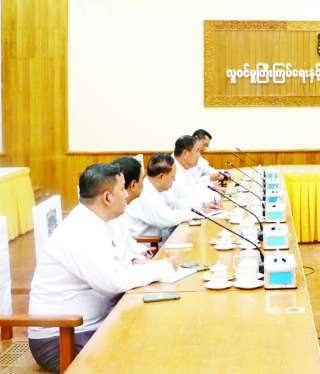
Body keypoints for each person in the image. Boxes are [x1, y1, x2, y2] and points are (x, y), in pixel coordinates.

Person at [28, 164, 179, 373]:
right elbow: (113, 282)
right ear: (107, 197)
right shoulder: (81, 230)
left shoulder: (98, 221)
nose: (127, 194)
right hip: (62, 337)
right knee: (146, 355)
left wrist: (143, 264)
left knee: (157, 336)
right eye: (122, 189)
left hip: (89, 325)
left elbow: (122, 261)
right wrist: (163, 267)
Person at [125, 154, 195, 240]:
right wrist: (194, 214)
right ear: (162, 177)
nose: (174, 180)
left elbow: (175, 204)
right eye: (172, 177)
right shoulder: (145, 194)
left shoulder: (158, 188)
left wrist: (200, 207)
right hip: (151, 244)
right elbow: (169, 218)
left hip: (163, 238)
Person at [164, 135, 219, 210]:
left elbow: (193, 188)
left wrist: (212, 193)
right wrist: (201, 206)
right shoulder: (170, 170)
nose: (199, 155)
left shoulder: (185, 166)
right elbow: (174, 204)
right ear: (186, 154)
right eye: (197, 151)